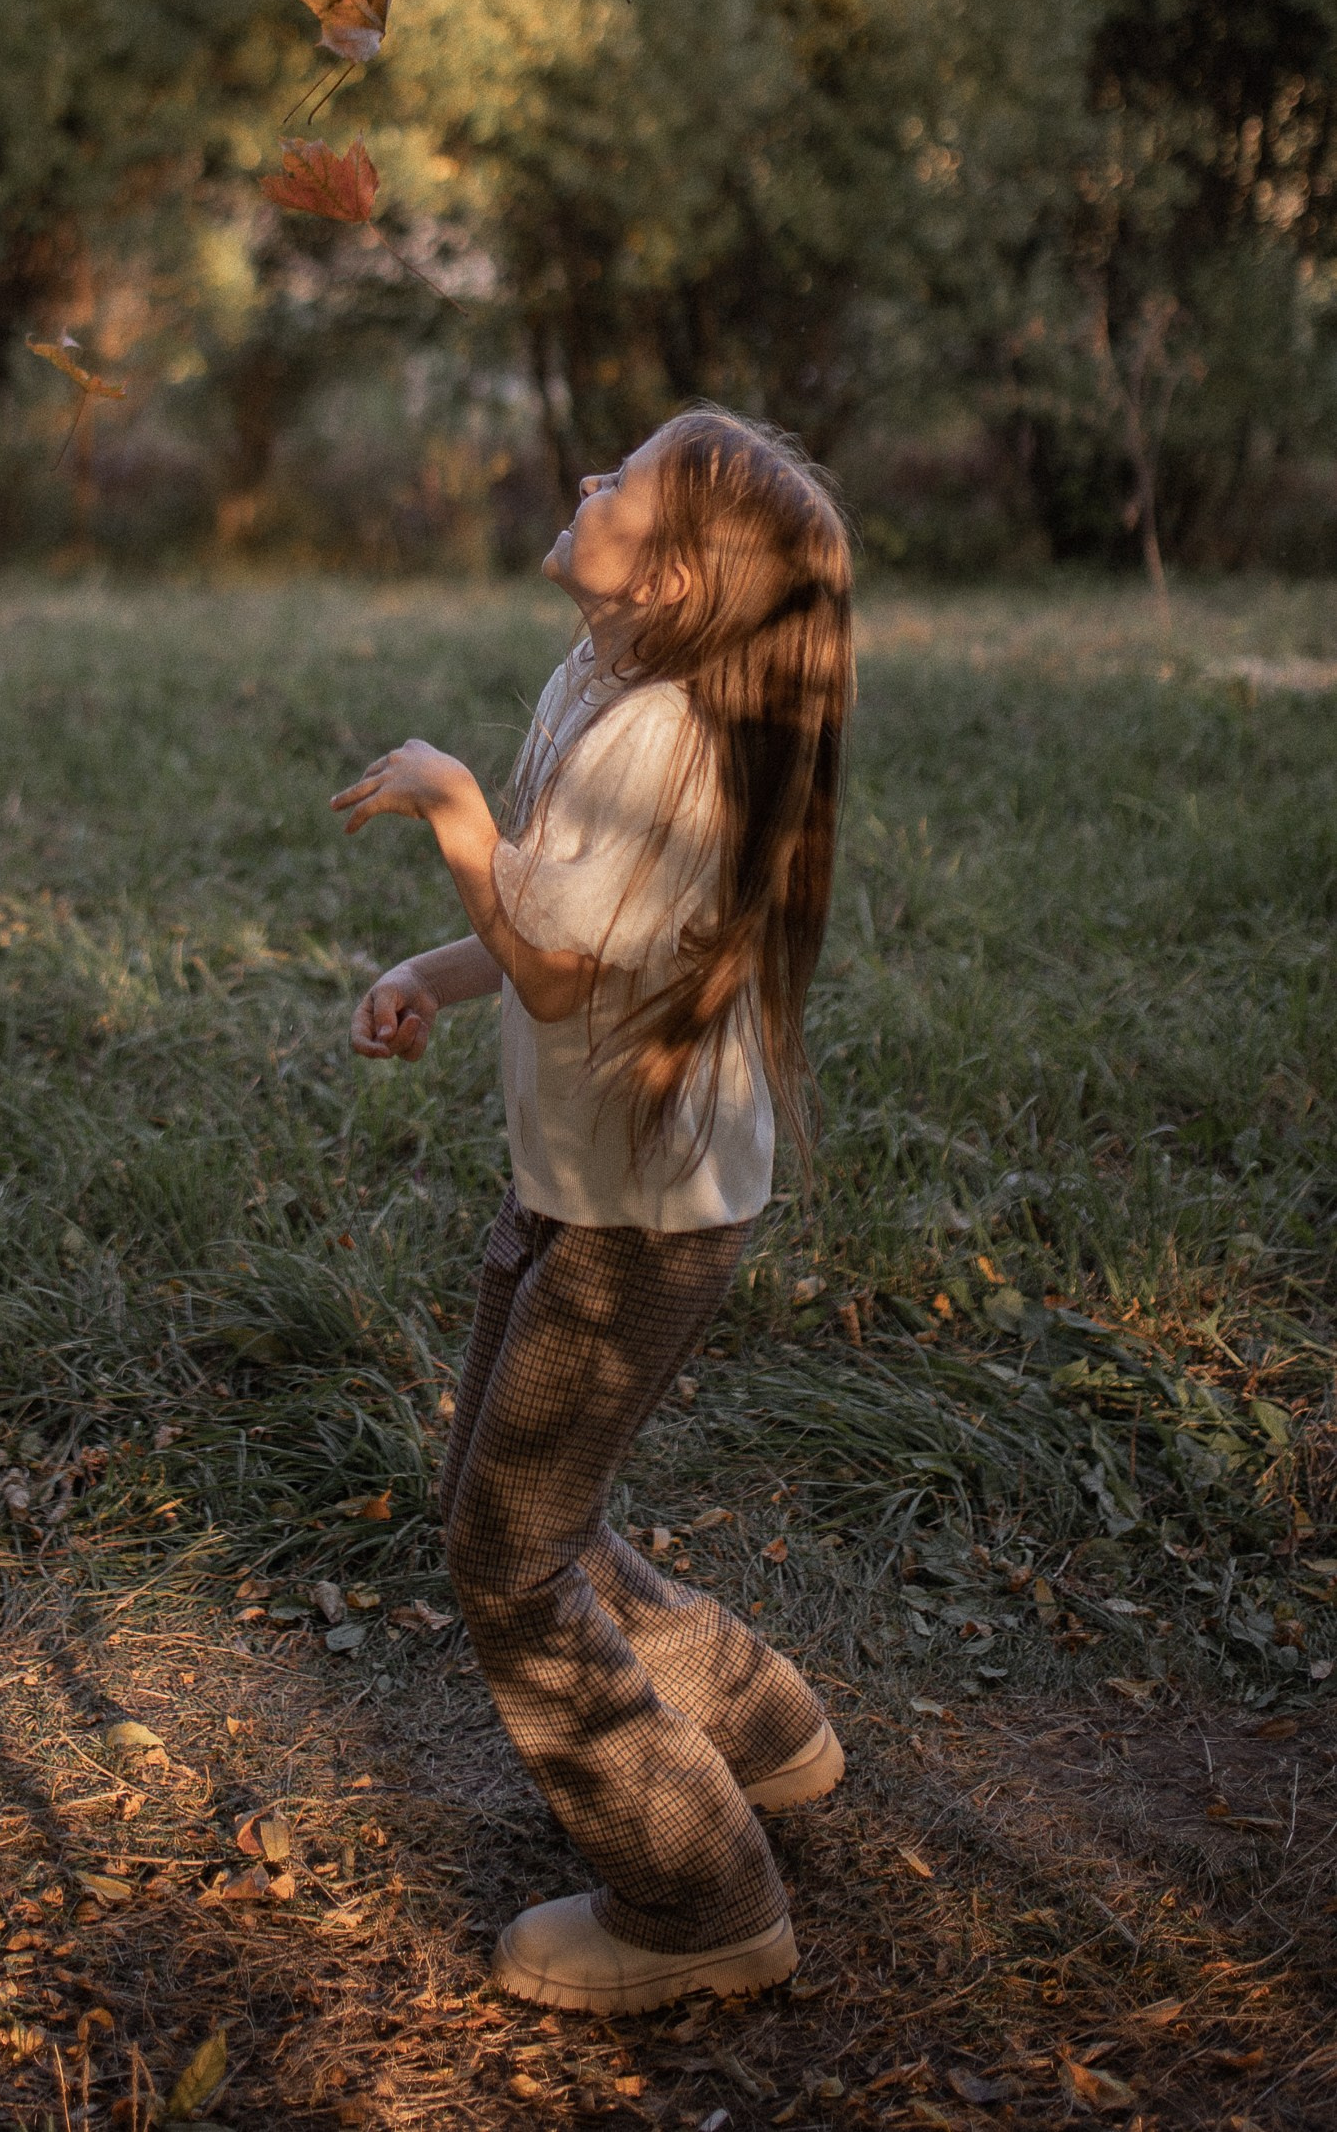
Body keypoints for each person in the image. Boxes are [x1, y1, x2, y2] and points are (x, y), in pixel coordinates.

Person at [335, 407, 854, 2017]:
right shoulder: (599, 678)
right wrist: (435, 973)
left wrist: (453, 813)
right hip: (584, 1186)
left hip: (639, 1222)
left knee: (507, 1555)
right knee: (508, 1508)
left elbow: (555, 965)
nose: (585, 482)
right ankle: (762, 1729)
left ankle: (697, 1900)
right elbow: (562, 920)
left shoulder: (662, 737)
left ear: (675, 578)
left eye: (620, 481)